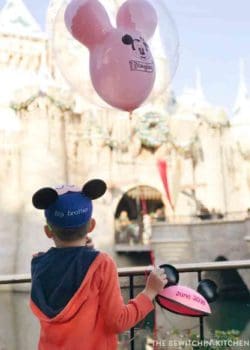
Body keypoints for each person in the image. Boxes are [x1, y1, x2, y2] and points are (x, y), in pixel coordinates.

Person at [30, 179, 167, 350]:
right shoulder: (102, 264)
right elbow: (117, 322)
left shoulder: (38, 263)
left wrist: (84, 254)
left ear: (48, 231)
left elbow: (65, 266)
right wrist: (149, 292)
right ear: (91, 226)